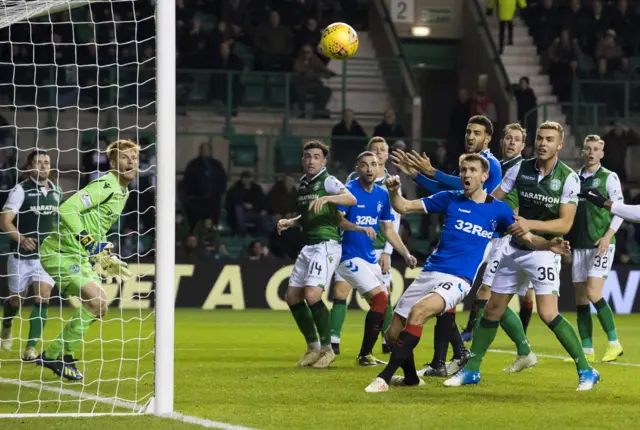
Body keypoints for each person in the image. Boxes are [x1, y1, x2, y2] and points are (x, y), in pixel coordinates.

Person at [364, 154, 569, 392]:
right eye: (463, 170)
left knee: (418, 312)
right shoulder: (449, 198)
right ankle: (410, 379)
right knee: (392, 334)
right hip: (430, 272)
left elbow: (529, 238)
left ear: (484, 176)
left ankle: (384, 378)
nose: (466, 175)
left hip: (458, 279)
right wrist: (394, 192)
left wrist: (548, 245)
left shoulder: (499, 211)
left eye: (472, 170)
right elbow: (404, 206)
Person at [445, 121, 600, 391]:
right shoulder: (520, 168)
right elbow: (494, 197)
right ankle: (472, 370)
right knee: (493, 309)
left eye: (549, 139)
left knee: (548, 314)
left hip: (543, 251)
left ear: (559, 145)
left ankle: (586, 370)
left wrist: (529, 223)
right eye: (540, 138)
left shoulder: (568, 178)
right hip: (514, 245)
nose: (542, 143)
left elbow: (564, 224)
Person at [390, 115, 502, 377]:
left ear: (487, 138)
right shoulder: (466, 165)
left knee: (467, 292)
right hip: (462, 234)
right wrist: (417, 175)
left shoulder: (490, 165)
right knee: (445, 298)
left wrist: (430, 171)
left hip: (481, 236)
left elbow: (459, 186)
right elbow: (446, 188)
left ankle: (465, 353)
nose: (470, 136)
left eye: (476, 133)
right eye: (468, 131)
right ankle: (445, 359)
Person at [35, 140, 137, 380]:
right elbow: (67, 209)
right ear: (112, 163)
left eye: (134, 157)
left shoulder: (124, 192)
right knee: (97, 299)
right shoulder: (105, 184)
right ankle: (58, 356)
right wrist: (88, 241)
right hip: (59, 252)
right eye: (125, 157)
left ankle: (57, 355)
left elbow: (97, 226)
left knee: (100, 308)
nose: (131, 161)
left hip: (79, 255)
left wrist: (103, 255)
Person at [277, 141, 356, 369]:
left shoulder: (328, 181)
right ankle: (313, 347)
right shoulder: (303, 184)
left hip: (327, 244)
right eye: (307, 156)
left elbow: (351, 199)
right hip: (309, 245)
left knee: (312, 294)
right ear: (303, 160)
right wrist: (290, 222)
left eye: (316, 157)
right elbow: (308, 215)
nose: (311, 160)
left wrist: (329, 198)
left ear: (324, 161)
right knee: (292, 296)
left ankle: (327, 348)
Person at [461, 124, 536, 366]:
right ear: (502, 141)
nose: (512, 143)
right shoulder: (500, 167)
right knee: (495, 290)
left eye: (517, 140)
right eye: (509, 138)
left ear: (523, 146)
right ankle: (519, 343)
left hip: (507, 236)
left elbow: (521, 203)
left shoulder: (524, 169)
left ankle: (476, 332)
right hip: (493, 234)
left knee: (496, 292)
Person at [334, 151, 416, 366]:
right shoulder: (349, 192)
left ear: (380, 168)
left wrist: (405, 253)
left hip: (369, 258)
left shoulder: (382, 195)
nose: (369, 169)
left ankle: (369, 352)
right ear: (357, 168)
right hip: (347, 256)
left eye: (374, 164)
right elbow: (339, 222)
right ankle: (364, 354)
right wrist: (358, 228)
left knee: (382, 301)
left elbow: (388, 229)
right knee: (380, 299)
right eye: (364, 165)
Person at [565, 135, 624, 363]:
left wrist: (608, 236)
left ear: (602, 153)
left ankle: (614, 343)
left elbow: (619, 210)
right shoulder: (574, 179)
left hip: (600, 243)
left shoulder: (609, 177)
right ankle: (587, 350)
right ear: (582, 151)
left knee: (592, 292)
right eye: (588, 148)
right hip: (580, 245)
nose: (591, 152)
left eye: (596, 149)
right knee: (581, 299)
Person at [0, 151, 62, 361]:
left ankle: (31, 348)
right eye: (39, 163)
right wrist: (21, 238)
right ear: (30, 166)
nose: (43, 166)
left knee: (42, 297)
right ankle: (7, 324)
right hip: (20, 256)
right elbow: (5, 221)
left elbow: (58, 222)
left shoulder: (57, 192)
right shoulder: (21, 190)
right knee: (16, 300)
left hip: (46, 256)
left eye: (47, 163)